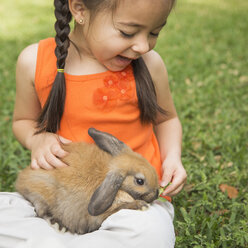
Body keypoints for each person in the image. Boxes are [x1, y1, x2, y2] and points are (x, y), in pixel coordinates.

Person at [0, 0, 187, 247]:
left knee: (149, 232)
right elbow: (23, 121)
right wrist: (37, 139)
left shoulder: (150, 65)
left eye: (154, 32)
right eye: (127, 32)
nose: (143, 46)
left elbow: (167, 119)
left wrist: (172, 158)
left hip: (129, 206)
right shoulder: (34, 60)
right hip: (61, 196)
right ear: (79, 10)